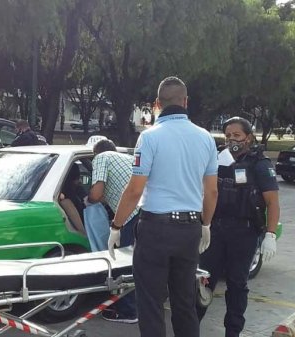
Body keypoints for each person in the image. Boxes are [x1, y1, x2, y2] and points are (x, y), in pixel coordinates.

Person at [108, 76, 218, 337]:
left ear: (157, 104)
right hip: (190, 228)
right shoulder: (206, 138)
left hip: (156, 229)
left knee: (151, 302)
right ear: (186, 101)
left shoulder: (150, 138)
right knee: (184, 302)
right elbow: (212, 191)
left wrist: (116, 225)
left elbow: (135, 190)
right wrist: (206, 224)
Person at [196, 116, 280, 337]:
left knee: (236, 285)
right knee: (203, 280)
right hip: (215, 230)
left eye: (237, 136)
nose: (232, 140)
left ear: (249, 138)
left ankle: (233, 332)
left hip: (244, 232)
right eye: (228, 136)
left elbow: (272, 202)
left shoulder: (259, 164)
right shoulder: (217, 160)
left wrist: (270, 234)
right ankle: (191, 328)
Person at [87, 138, 139, 324]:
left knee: (124, 264)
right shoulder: (127, 158)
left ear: (96, 153)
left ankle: (128, 311)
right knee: (141, 262)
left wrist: (88, 199)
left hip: (131, 215)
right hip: (150, 213)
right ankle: (141, 305)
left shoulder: (101, 158)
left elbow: (96, 193)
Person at [59, 164, 87, 233]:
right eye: (78, 177)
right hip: (85, 226)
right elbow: (89, 201)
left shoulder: (60, 193)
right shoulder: (74, 192)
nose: (80, 180)